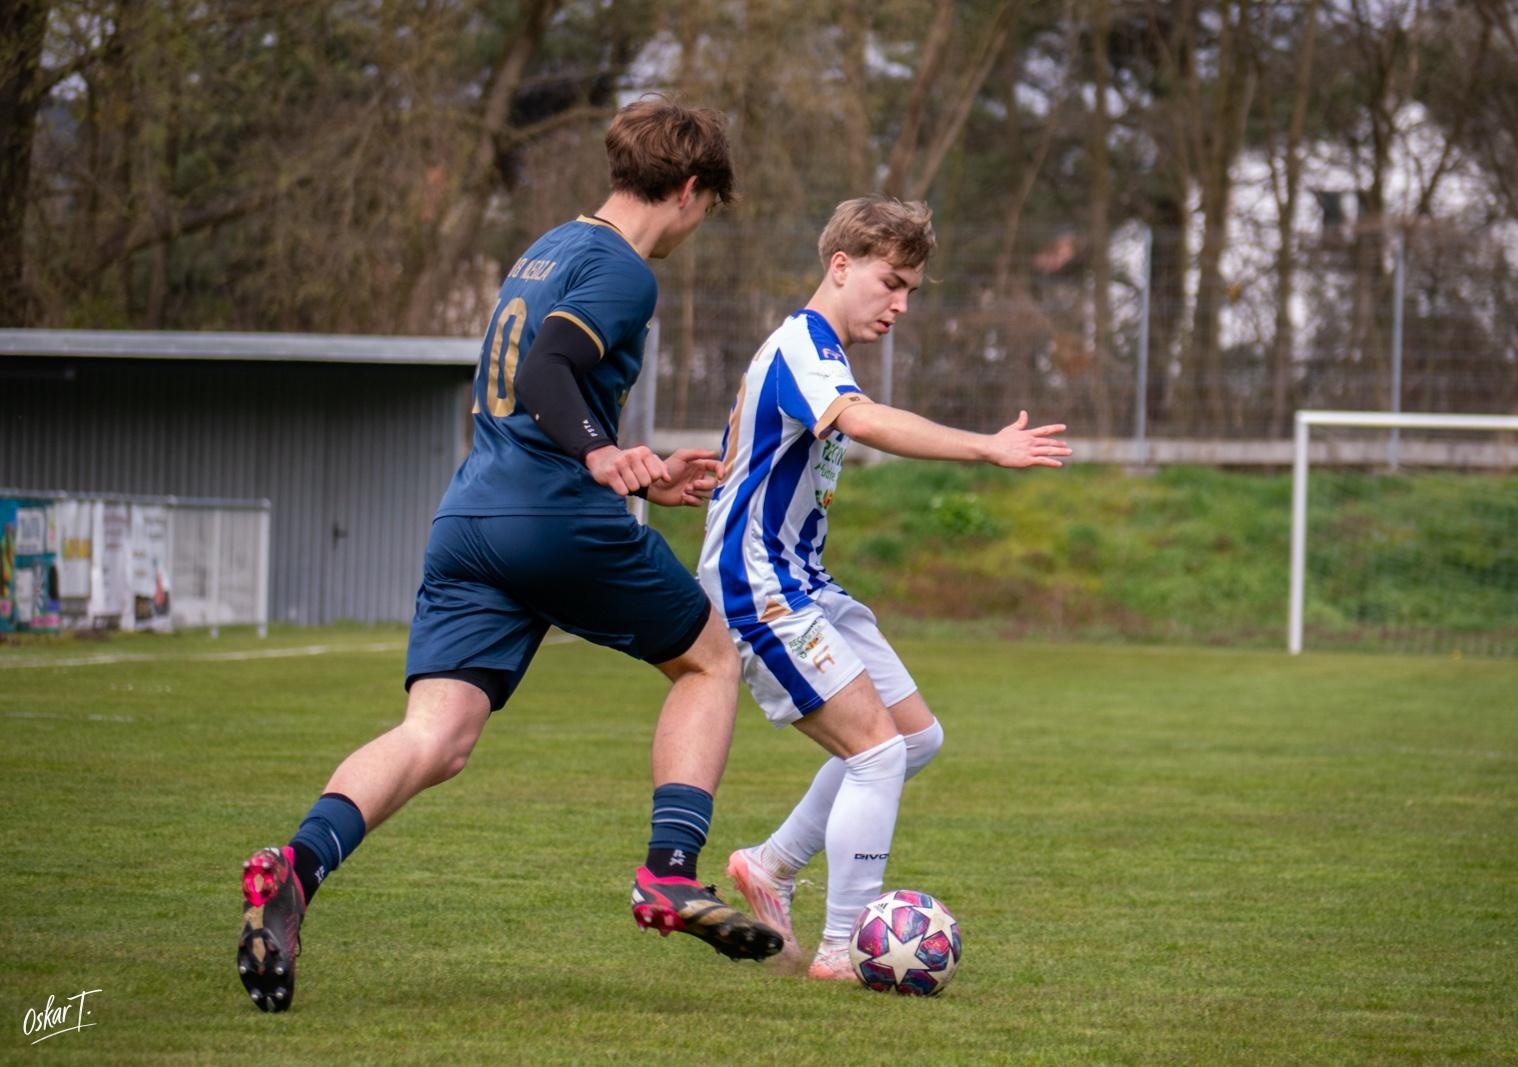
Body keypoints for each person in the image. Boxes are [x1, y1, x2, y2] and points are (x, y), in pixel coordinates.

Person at [237, 98, 783, 1014]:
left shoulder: (547, 248)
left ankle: (296, 866)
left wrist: (637, 471)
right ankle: (670, 870)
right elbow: (544, 374)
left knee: (436, 737)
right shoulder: (626, 270)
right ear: (690, 190)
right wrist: (600, 456)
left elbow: (538, 385)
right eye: (707, 209)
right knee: (710, 659)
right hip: (553, 515)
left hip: (472, 517)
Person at [697, 195, 1071, 979]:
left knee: (915, 739)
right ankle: (844, 947)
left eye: (910, 290)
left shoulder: (813, 352)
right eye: (890, 282)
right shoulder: (804, 345)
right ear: (841, 266)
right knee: (875, 752)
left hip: (805, 579)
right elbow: (862, 423)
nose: (900, 303)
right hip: (759, 583)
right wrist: (987, 448)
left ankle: (770, 864)